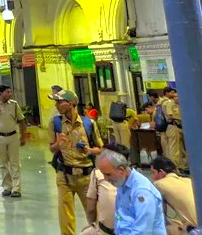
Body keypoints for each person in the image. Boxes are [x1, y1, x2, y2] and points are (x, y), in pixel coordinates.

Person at [49, 89, 103, 235]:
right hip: (64, 176)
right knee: (65, 217)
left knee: (94, 214)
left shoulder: (88, 123)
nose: (56, 105)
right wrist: (58, 144)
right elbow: (51, 148)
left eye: (59, 102)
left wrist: (89, 151)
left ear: (71, 103)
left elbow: (100, 148)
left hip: (86, 177)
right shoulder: (55, 123)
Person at [97, 149, 166, 235]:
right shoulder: (121, 182)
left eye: (108, 174)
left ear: (121, 170)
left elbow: (143, 231)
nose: (105, 179)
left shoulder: (142, 191)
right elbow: (120, 217)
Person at [0, 84, 27, 198]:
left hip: (12, 136)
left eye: (10, 92)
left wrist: (23, 136)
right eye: (7, 92)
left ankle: (17, 188)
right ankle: (7, 187)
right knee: (2, 163)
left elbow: (22, 120)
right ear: (1, 93)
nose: (9, 94)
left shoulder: (14, 104)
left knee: (15, 163)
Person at [81, 143, 122, 235]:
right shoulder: (133, 178)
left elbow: (90, 209)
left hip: (106, 231)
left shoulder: (98, 173)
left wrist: (93, 225)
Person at [150, 156, 197, 234]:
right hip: (196, 224)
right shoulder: (189, 180)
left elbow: (159, 215)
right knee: (176, 223)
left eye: (153, 172)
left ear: (161, 172)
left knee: (156, 224)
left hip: (195, 230)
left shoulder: (158, 184)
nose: (152, 177)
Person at [159, 87, 187, 172]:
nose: (176, 98)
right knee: (174, 149)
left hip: (166, 128)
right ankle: (175, 168)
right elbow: (170, 116)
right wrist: (179, 118)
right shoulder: (169, 103)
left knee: (171, 149)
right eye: (173, 94)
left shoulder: (161, 102)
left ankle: (179, 166)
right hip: (172, 127)